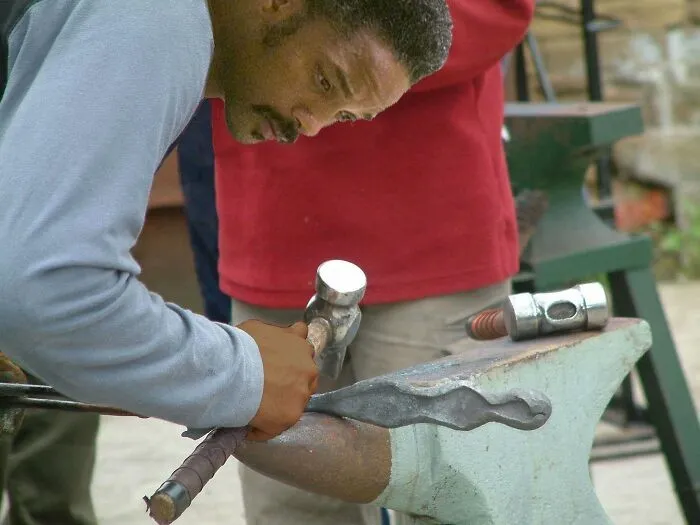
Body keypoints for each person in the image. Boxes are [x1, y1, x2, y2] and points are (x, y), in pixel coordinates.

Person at [0, 0, 453, 474]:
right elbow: (45, 290)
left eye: (342, 116)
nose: (312, 125)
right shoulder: (159, 18)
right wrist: (244, 374)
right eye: (324, 80)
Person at [174, 0, 535, 523]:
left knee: (449, 493)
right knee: (291, 508)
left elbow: (499, 10)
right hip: (273, 222)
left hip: (431, 230)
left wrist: (350, 46)